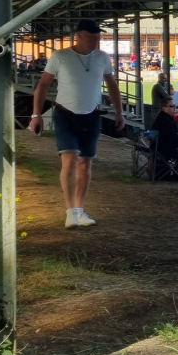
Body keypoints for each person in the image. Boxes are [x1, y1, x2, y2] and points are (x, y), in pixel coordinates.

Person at [28, 20, 124, 228]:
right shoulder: (60, 56)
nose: (96, 40)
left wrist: (119, 112)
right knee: (70, 159)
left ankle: (80, 209)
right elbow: (43, 84)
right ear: (78, 35)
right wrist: (36, 115)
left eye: (98, 37)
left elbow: (111, 84)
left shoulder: (102, 57)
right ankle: (70, 210)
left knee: (85, 162)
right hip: (65, 114)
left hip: (92, 115)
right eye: (91, 36)